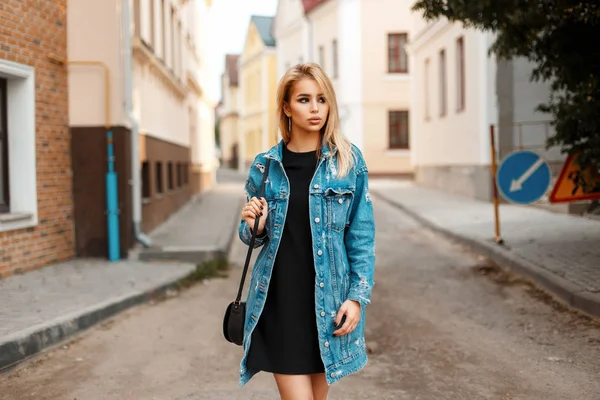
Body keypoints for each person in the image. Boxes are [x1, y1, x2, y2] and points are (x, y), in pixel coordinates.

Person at [237, 63, 376, 400]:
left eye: (322, 99)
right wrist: (253, 224)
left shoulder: (347, 162)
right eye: (303, 99)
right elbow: (251, 236)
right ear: (286, 107)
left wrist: (357, 298)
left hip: (326, 305)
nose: (315, 109)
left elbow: (361, 237)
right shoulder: (266, 166)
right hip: (280, 303)